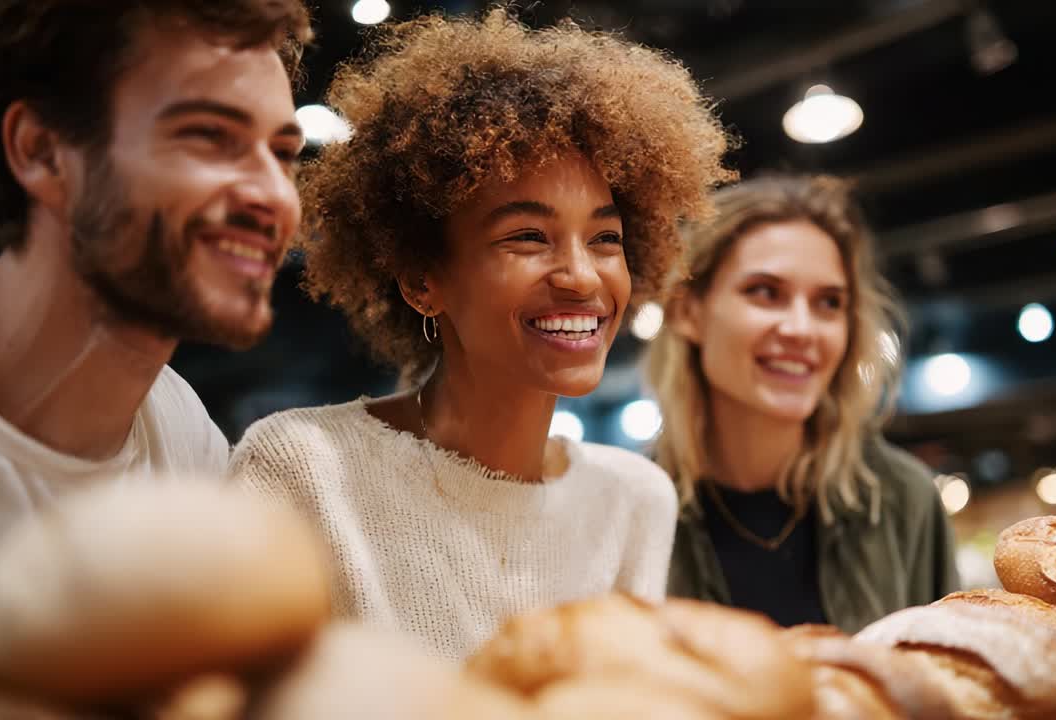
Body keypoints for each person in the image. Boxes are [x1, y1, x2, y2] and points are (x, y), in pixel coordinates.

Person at [230, 9, 734, 659]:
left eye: (605, 238)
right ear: (420, 279)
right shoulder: (305, 469)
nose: (582, 276)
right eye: (528, 236)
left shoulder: (633, 500)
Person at [0, 0, 312, 580]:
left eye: (283, 154)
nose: (278, 198)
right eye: (209, 136)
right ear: (42, 152)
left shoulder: (182, 434)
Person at [648, 174, 959, 633]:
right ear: (687, 311)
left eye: (829, 303)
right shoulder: (634, 506)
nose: (801, 329)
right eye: (765, 292)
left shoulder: (901, 500)